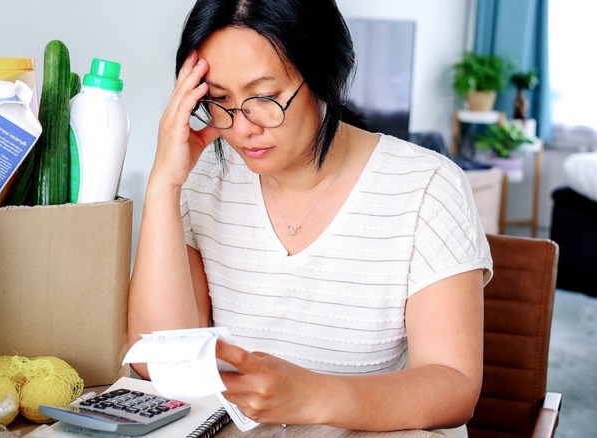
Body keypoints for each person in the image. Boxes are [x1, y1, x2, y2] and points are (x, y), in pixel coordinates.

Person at [128, 0, 493, 433]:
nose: (242, 127)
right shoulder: (206, 176)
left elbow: (454, 386)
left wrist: (309, 396)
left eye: (264, 97)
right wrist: (163, 185)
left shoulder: (426, 185)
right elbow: (159, 360)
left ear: (329, 77)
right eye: (220, 100)